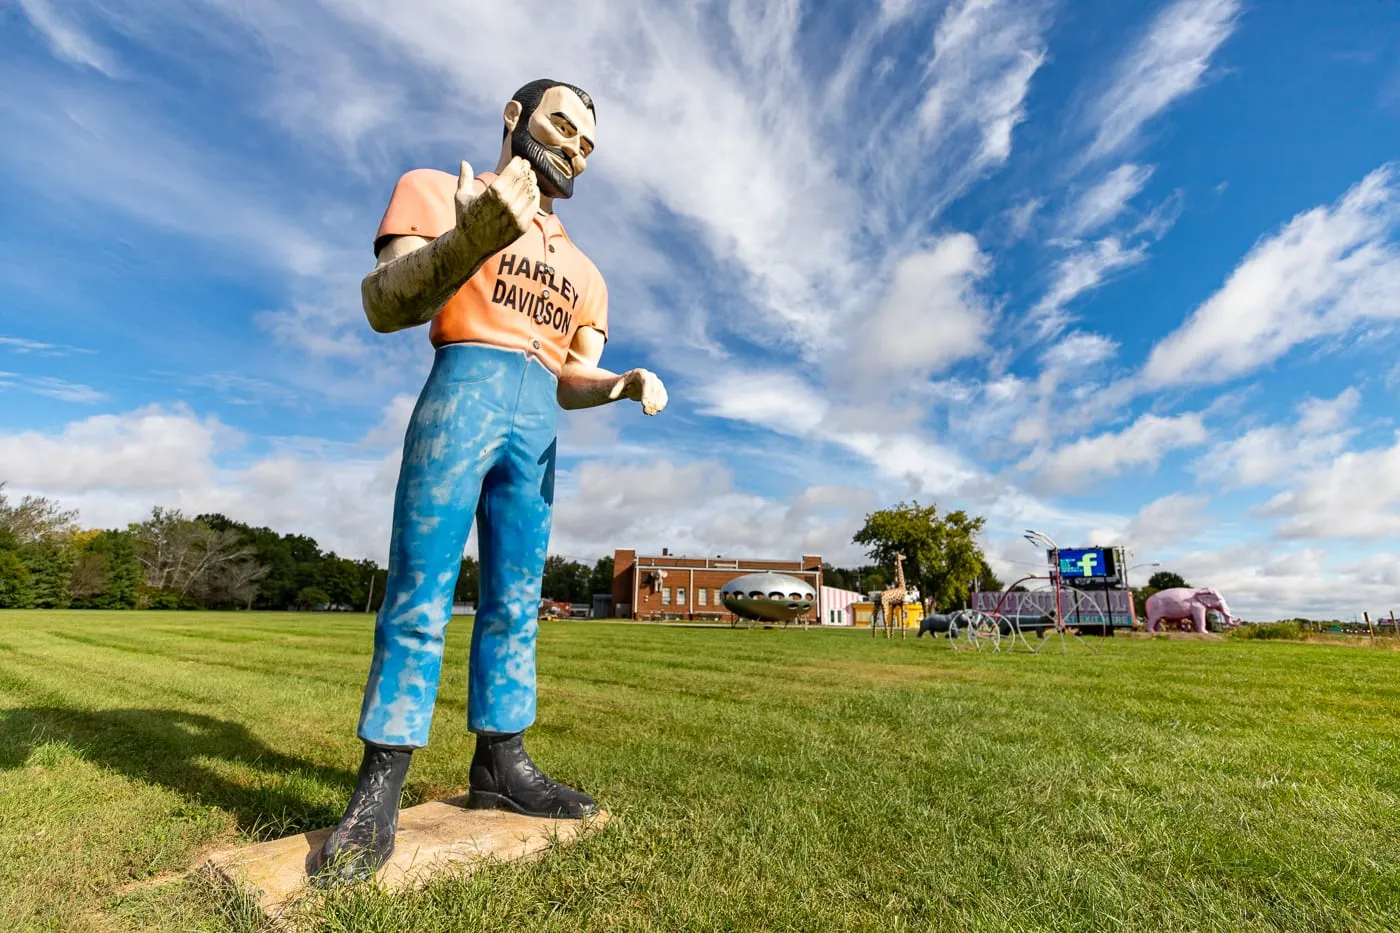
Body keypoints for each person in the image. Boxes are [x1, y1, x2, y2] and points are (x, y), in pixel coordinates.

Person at [312, 78, 668, 882]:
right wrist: (474, 234)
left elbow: (573, 376)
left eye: (587, 142)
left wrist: (618, 382)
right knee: (421, 587)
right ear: (515, 117)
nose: (574, 146)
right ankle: (379, 785)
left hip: (535, 423)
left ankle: (501, 761)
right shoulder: (438, 189)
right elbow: (384, 302)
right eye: (561, 125)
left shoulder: (584, 269)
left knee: (514, 599)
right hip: (462, 390)